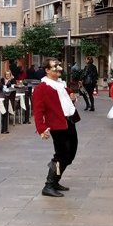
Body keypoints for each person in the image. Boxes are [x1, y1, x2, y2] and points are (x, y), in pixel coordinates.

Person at [32, 58, 80, 197]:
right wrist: (42, 128)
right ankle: (49, 185)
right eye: (55, 66)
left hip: (69, 122)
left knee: (70, 154)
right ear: (47, 70)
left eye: (59, 65)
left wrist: (73, 98)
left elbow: (66, 100)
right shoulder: (42, 87)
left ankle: (55, 180)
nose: (59, 68)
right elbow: (38, 110)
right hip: (57, 125)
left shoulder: (61, 84)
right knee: (61, 155)